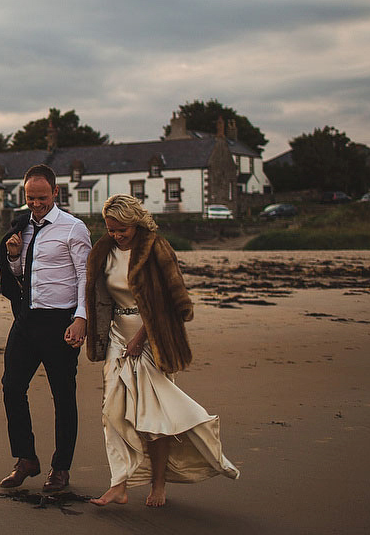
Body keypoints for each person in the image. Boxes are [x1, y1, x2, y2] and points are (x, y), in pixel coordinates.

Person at [85, 194, 239, 507]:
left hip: (154, 339)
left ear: (135, 222)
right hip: (116, 336)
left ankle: (158, 483)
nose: (116, 235)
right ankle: (119, 484)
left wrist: (142, 337)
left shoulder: (155, 247)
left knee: (155, 418)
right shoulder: (103, 250)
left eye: (121, 229)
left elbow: (171, 297)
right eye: (111, 229)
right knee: (112, 413)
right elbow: (99, 296)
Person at [0, 164, 91, 492]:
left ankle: (60, 469)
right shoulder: (23, 228)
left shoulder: (73, 229)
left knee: (63, 396)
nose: (35, 204)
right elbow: (23, 274)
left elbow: (85, 277)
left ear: (55, 193)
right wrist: (12, 257)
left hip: (60, 323)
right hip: (26, 320)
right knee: (11, 388)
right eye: (29, 198)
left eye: (41, 198)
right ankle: (26, 459)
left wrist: (81, 318)